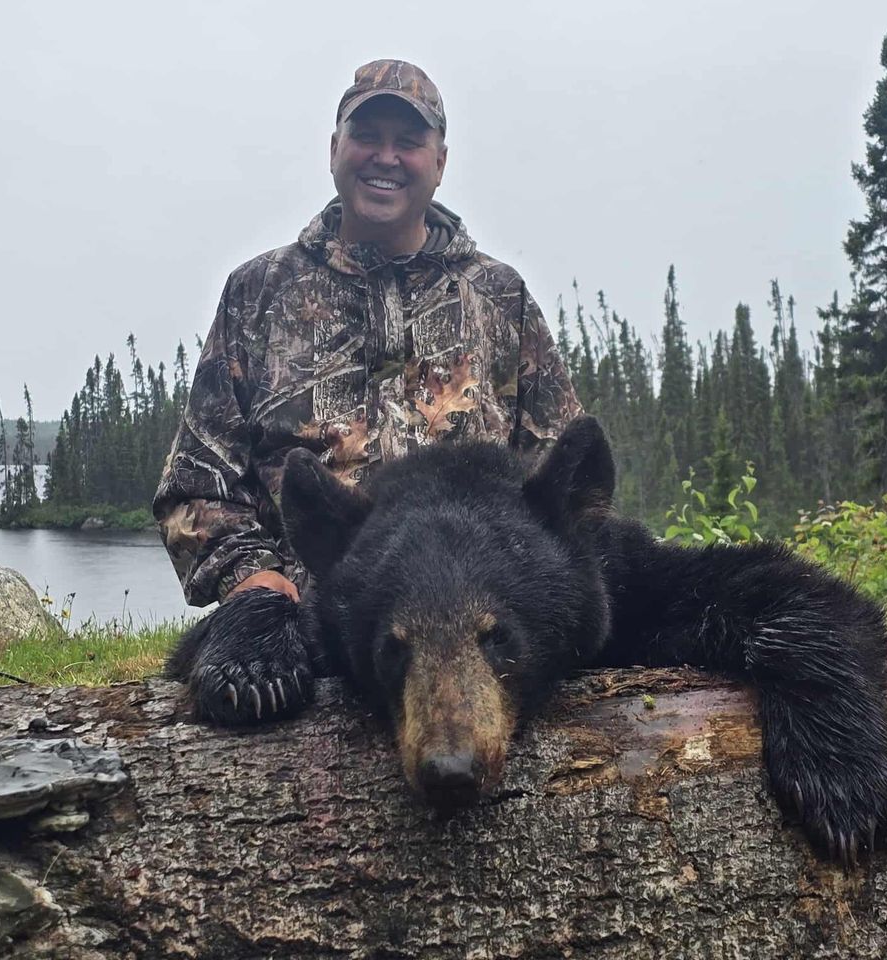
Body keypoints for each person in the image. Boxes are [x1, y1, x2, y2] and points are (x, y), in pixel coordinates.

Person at [154, 59, 582, 612]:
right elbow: (194, 488)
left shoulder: (501, 298)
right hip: (304, 631)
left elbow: (562, 485)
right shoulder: (258, 291)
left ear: (441, 163)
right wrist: (253, 581)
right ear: (334, 149)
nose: (386, 158)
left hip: (464, 628)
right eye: (366, 137)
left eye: (408, 141)